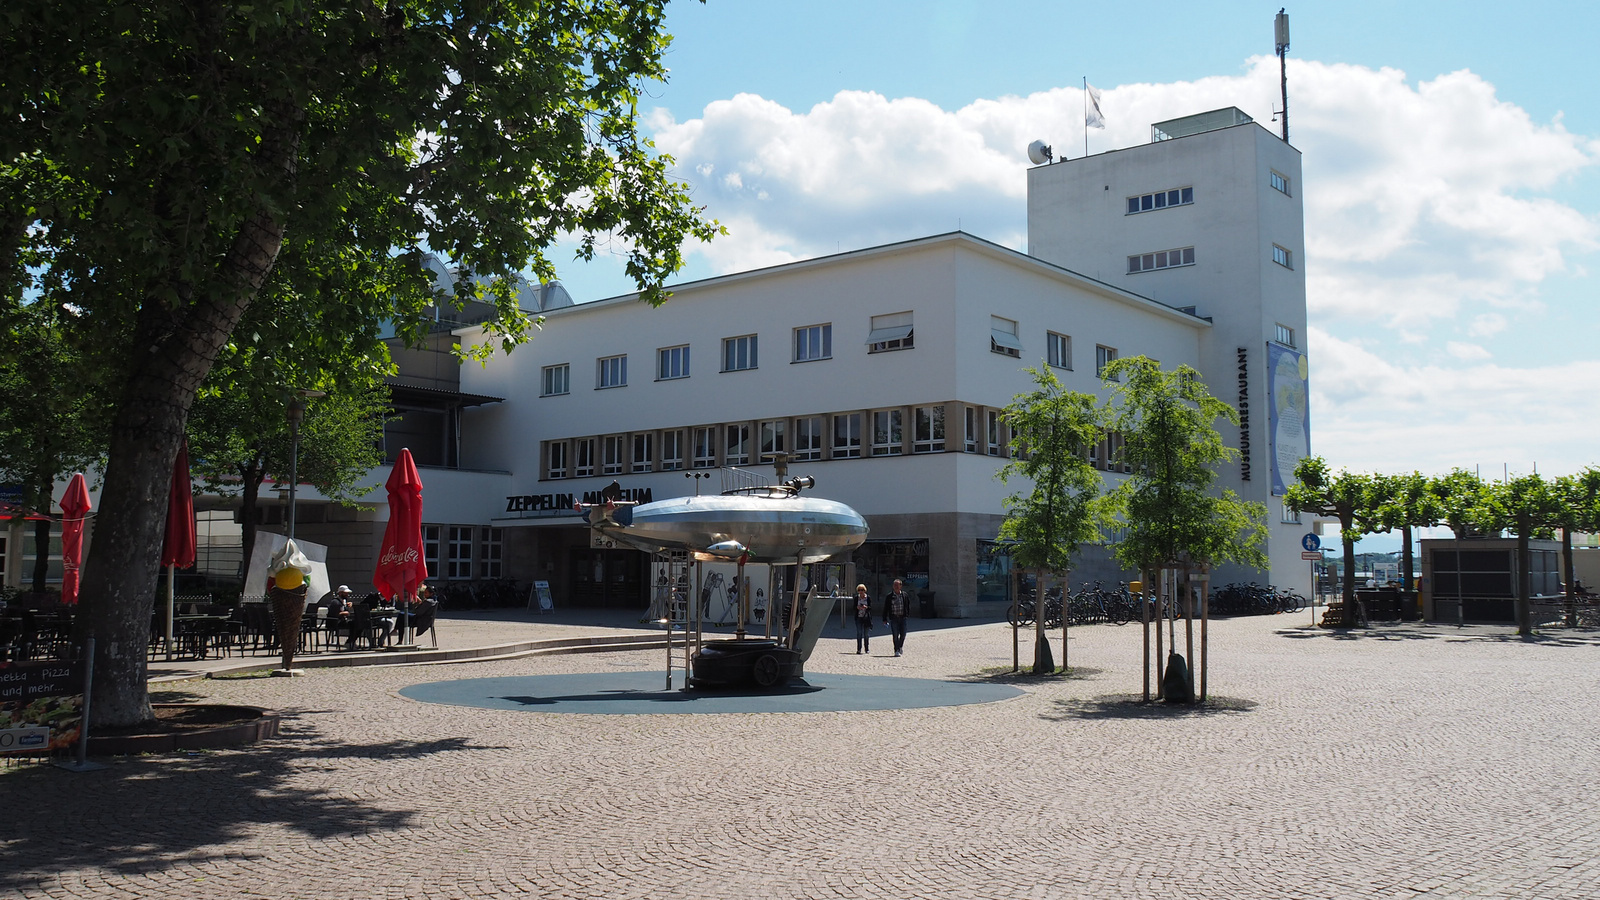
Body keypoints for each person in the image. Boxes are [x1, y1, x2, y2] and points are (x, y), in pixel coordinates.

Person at [882, 578, 909, 656]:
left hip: (902, 617)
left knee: (903, 634)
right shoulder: (889, 596)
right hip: (894, 618)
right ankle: (896, 650)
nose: (896, 586)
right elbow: (886, 608)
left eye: (897, 585)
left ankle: (900, 646)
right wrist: (884, 618)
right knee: (895, 634)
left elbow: (907, 605)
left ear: (901, 586)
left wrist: (906, 614)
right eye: (894, 585)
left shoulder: (904, 595)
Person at [853, 584, 873, 654]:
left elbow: (871, 607)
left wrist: (866, 607)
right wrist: (857, 607)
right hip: (858, 617)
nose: (861, 592)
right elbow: (853, 607)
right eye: (859, 590)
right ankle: (859, 649)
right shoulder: (856, 598)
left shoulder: (868, 598)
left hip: (866, 618)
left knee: (866, 634)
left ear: (865, 590)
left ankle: (867, 649)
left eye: (862, 590)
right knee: (859, 633)